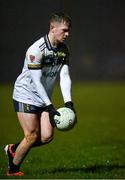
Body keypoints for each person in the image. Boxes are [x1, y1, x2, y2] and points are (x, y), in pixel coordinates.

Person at [4, 12, 76, 176]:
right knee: (31, 135)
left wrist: (68, 102)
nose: (67, 34)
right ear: (52, 28)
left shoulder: (64, 50)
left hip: (43, 97)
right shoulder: (36, 50)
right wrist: (49, 106)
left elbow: (64, 76)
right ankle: (13, 169)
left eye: (69, 31)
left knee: (46, 136)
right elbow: (36, 82)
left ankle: (13, 149)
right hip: (26, 94)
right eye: (64, 30)